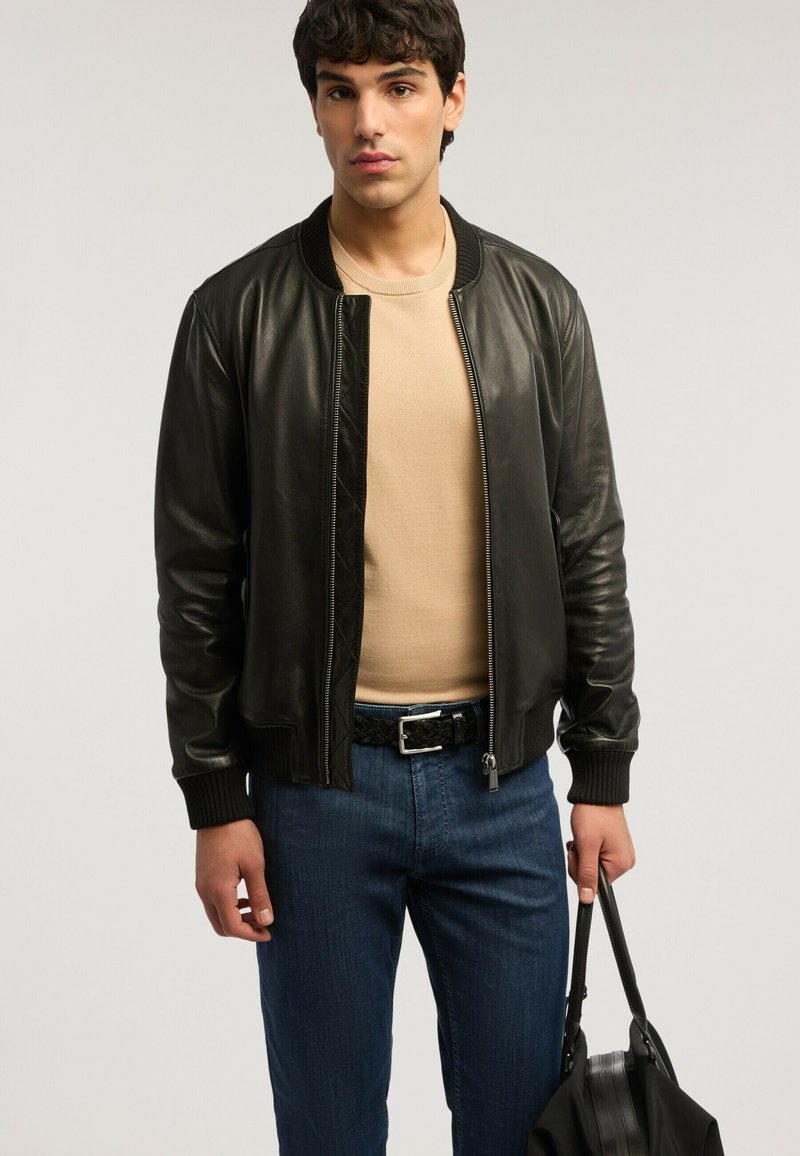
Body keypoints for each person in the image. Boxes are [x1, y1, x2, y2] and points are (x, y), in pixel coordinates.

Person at [154, 1, 640, 1152]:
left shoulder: (536, 307)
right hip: (314, 793)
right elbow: (196, 575)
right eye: (340, 90)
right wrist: (215, 798)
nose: (368, 119)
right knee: (326, 1133)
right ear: (315, 109)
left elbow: (586, 541)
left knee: (520, 1131)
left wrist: (601, 766)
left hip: (499, 788)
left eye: (400, 85)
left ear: (452, 99)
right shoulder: (234, 316)